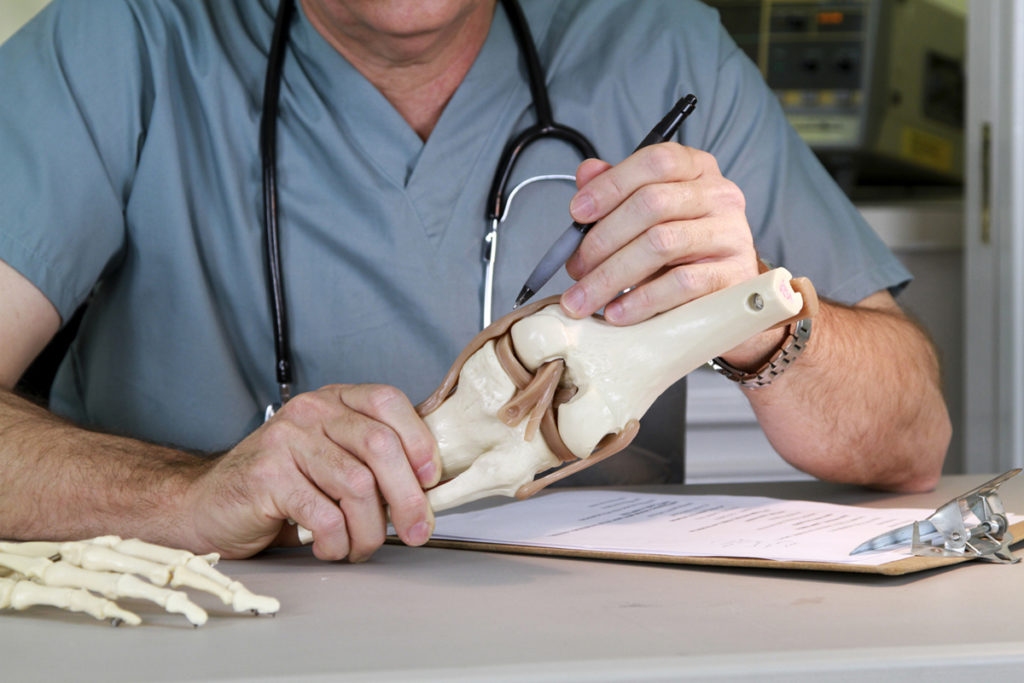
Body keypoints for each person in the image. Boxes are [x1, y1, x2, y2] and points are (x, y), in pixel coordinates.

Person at [0, 0, 950, 562]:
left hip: (603, 648)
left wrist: (761, 322)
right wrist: (185, 494)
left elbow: (913, 440)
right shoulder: (124, 37)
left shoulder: (658, 48)